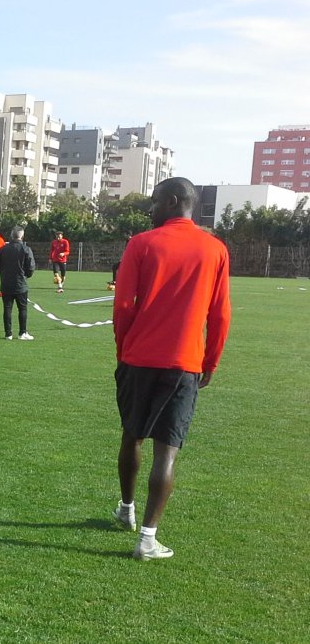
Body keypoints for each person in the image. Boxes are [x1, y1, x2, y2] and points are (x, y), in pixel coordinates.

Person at [112, 176, 231, 561]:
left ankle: (127, 510)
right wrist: (210, 360)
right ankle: (146, 536)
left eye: (155, 201)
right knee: (167, 452)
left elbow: (123, 306)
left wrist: (123, 348)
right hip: (184, 363)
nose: (150, 208)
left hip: (138, 359)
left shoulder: (142, 244)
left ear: (174, 201)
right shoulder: (214, 249)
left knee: (132, 436)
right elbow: (220, 314)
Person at [0, 226, 35, 340]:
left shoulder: (3, 249)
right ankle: (22, 333)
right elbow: (31, 267)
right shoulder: (26, 249)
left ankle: (8, 334)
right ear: (22, 236)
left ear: (12, 236)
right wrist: (26, 275)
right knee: (22, 308)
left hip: (6, 283)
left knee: (7, 308)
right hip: (20, 284)